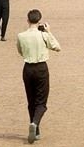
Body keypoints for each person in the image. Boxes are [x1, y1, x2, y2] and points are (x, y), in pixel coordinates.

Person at [17, 9, 61, 144]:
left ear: (28, 20)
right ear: (39, 21)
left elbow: (20, 51)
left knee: (31, 101)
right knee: (41, 102)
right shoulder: (43, 35)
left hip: (28, 69)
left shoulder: (21, 35)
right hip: (41, 68)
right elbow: (57, 47)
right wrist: (48, 32)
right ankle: (35, 123)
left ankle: (36, 131)